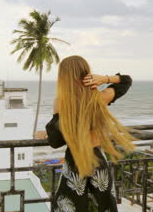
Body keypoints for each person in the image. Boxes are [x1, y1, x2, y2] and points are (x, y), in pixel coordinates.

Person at [34, 55, 135, 212]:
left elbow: (56, 142)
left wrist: (47, 133)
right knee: (103, 206)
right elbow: (126, 81)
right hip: (98, 161)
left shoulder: (61, 102)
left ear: (64, 77)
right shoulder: (101, 97)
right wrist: (104, 78)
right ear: (86, 73)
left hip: (75, 162)